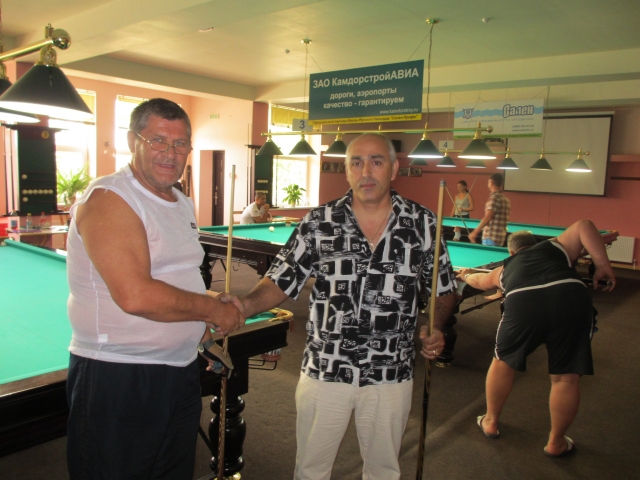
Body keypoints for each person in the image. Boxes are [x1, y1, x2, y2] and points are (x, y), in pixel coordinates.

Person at [220, 133, 457, 480]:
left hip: (390, 371)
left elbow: (444, 288)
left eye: (376, 161)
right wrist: (243, 305)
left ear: (393, 169)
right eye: (356, 163)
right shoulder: (319, 222)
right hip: (326, 367)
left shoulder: (423, 223)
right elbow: (281, 280)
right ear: (346, 171)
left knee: (384, 472)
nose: (366, 172)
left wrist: (436, 324)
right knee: (311, 470)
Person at [65, 98, 245, 479]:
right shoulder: (110, 198)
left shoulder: (180, 202)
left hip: (178, 372)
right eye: (158, 140)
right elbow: (136, 295)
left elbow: (176, 278)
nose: (170, 153)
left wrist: (205, 320)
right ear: (133, 141)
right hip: (118, 375)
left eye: (180, 144)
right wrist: (213, 310)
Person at [457, 220, 615, 457]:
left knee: (502, 363)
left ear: (511, 252)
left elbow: (479, 281)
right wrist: (602, 265)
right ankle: (556, 443)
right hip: (571, 297)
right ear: (536, 244)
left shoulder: (505, 268)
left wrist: (466, 274)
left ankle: (490, 422)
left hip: (524, 303)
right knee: (566, 378)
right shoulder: (555, 247)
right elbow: (584, 225)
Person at [469, 172, 510, 246]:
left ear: (491, 183)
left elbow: (488, 217)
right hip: (500, 238)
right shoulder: (506, 199)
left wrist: (475, 232)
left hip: (490, 237)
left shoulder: (494, 198)